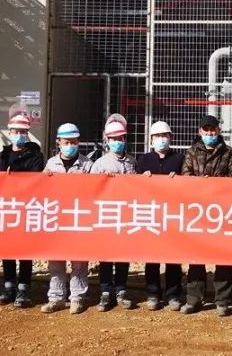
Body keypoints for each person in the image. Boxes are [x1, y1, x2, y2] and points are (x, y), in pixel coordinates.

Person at [180, 115, 232, 316]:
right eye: (206, 130)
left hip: (222, 212)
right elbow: (185, 176)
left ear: (218, 131)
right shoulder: (192, 152)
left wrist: (216, 183)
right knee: (196, 257)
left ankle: (222, 300)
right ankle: (193, 299)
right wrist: (201, 183)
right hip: (198, 212)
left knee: (223, 256)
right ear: (200, 131)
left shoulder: (229, 152)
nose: (209, 133)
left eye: (213, 130)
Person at [0, 114, 45, 307]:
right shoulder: (2, 156)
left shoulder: (35, 156)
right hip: (6, 209)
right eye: (16, 131)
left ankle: (23, 288)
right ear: (10, 132)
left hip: (26, 208)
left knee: (24, 250)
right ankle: (8, 287)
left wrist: (15, 178)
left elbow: (34, 178)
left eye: (23, 132)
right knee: (7, 249)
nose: (20, 135)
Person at [41, 123, 93, 314]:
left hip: (79, 217)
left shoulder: (87, 165)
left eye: (73, 142)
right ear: (59, 142)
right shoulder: (51, 164)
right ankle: (56, 297)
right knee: (56, 259)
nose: (70, 145)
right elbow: (42, 189)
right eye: (66, 142)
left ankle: (77, 297)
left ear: (78, 142)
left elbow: (96, 190)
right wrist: (44, 178)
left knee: (79, 260)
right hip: (57, 217)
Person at [135, 120, 185, 311]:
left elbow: (188, 182)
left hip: (173, 215)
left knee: (173, 257)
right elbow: (133, 185)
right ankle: (153, 294)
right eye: (157, 136)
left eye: (164, 135)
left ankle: (173, 294)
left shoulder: (179, 159)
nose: (161, 139)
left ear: (170, 137)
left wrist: (178, 180)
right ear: (151, 139)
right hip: (151, 214)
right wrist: (142, 179)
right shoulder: (144, 160)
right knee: (152, 257)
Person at [91, 117, 137, 311]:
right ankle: (105, 291)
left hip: (126, 215)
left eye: (121, 138)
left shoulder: (132, 162)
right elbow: (91, 190)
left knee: (123, 254)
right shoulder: (100, 164)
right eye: (114, 139)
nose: (118, 142)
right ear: (107, 140)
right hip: (107, 216)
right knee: (106, 255)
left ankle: (121, 290)